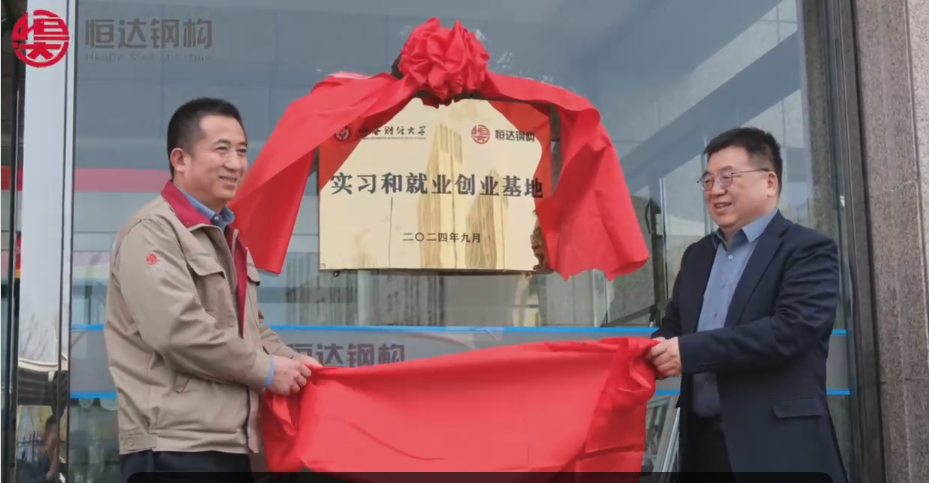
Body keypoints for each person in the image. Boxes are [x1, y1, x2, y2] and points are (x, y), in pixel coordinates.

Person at [104, 98, 320, 481]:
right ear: (180, 159)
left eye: (242, 151)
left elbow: (251, 329)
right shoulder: (152, 231)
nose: (235, 163)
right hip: (173, 449)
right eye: (221, 150)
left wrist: (294, 363)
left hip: (227, 444)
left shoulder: (226, 235)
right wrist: (269, 370)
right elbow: (177, 331)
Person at [647, 127, 846, 482]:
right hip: (703, 446)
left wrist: (689, 352)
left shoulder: (807, 249)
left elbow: (790, 331)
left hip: (778, 447)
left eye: (728, 177)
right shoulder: (697, 256)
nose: (715, 190)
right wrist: (654, 349)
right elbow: (675, 324)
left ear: (769, 182)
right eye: (708, 180)